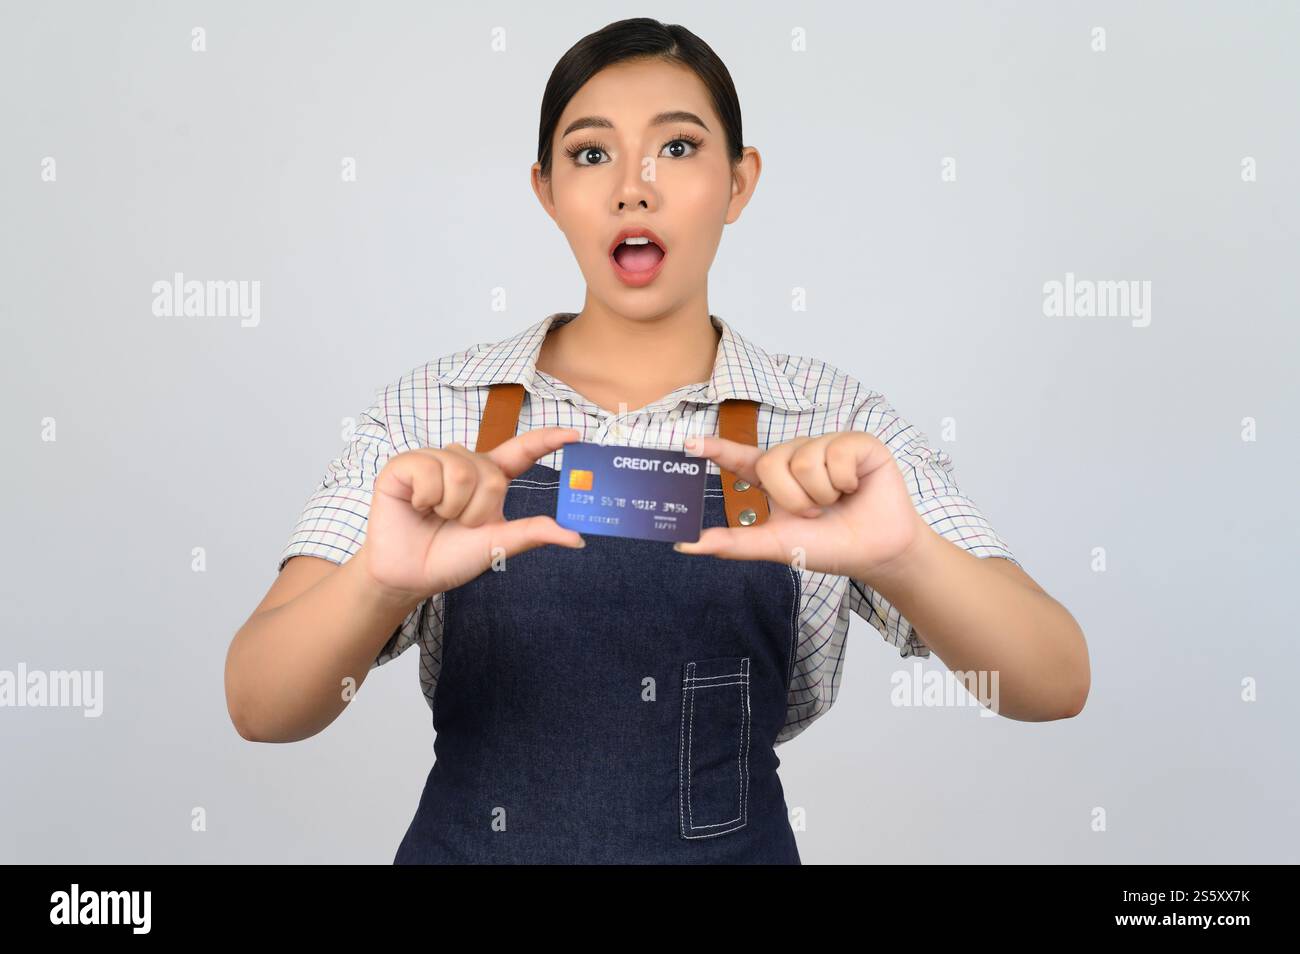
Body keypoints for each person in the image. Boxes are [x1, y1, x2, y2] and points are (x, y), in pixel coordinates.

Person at [224, 17, 1089, 865]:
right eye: (591, 154)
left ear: (740, 182)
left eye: (677, 148)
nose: (632, 187)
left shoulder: (831, 424)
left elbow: (1054, 682)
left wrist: (904, 556)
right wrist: (377, 582)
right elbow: (261, 704)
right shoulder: (429, 415)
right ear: (546, 191)